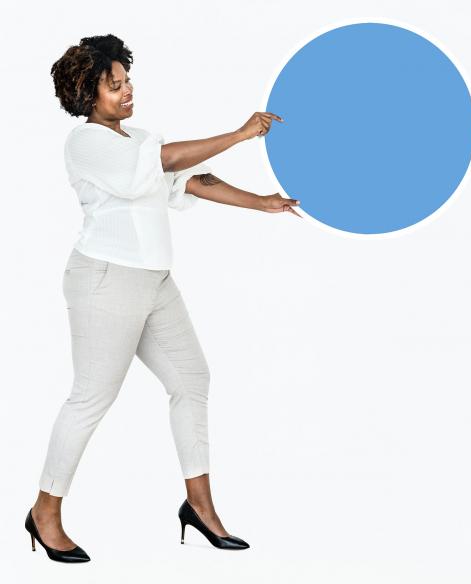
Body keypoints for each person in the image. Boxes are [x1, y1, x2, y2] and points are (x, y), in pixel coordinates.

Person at [25, 33, 301, 563]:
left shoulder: (139, 140)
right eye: (114, 85)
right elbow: (165, 161)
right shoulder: (86, 144)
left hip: (154, 283)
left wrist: (260, 203)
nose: (127, 90)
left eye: (127, 80)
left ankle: (199, 507)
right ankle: (44, 512)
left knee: (191, 380)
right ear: (88, 95)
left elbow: (192, 180)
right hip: (105, 281)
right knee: (91, 399)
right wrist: (241, 133)